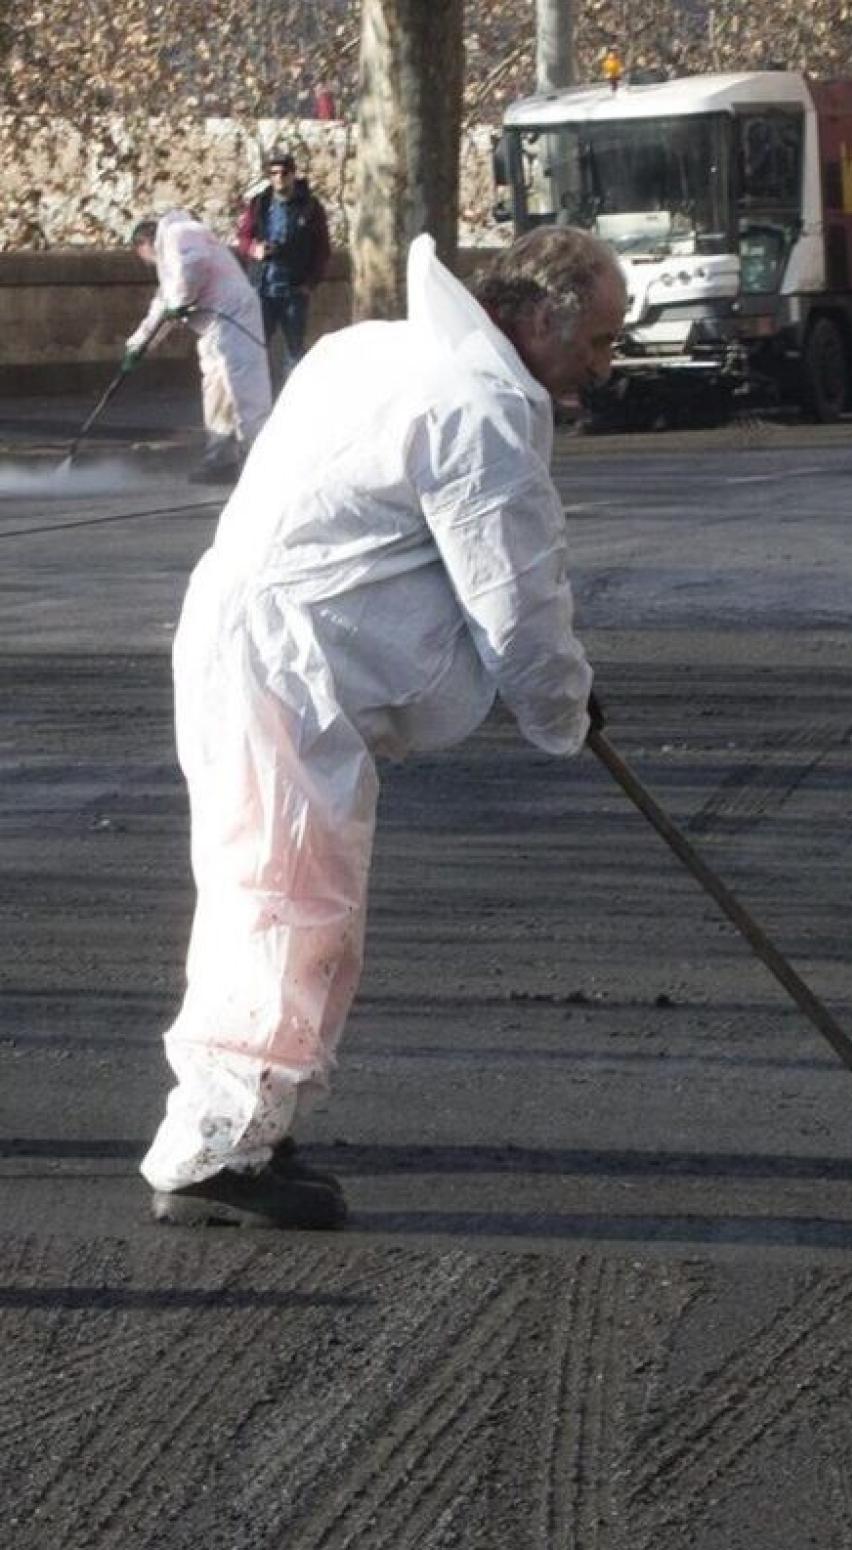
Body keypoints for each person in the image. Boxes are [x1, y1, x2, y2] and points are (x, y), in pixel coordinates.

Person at [141, 226, 628, 1229]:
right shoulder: (478, 408)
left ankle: (250, 1117)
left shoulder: (374, 347)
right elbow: (515, 596)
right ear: (538, 320)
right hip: (289, 666)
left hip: (254, 639)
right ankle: (217, 1147)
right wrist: (563, 708)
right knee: (286, 896)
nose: (603, 363)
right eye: (599, 340)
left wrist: (559, 700)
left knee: (273, 885)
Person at [128, 211, 272, 484]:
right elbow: (164, 304)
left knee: (245, 391)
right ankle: (220, 460)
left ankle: (260, 463)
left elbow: (194, 267)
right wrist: (139, 344)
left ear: (143, 244)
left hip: (234, 317)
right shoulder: (171, 258)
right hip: (213, 327)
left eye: (142, 257)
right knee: (216, 394)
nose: (147, 263)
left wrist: (180, 301)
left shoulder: (177, 232)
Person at [235, 146, 331, 382]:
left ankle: (292, 401)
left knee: (295, 350)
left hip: (294, 289)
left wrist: (310, 283)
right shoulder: (259, 204)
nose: (279, 178)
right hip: (262, 288)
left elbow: (322, 249)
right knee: (256, 346)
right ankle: (259, 397)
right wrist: (254, 249)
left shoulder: (310, 207)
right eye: (274, 173)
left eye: (284, 173)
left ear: (293, 174)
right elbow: (242, 237)